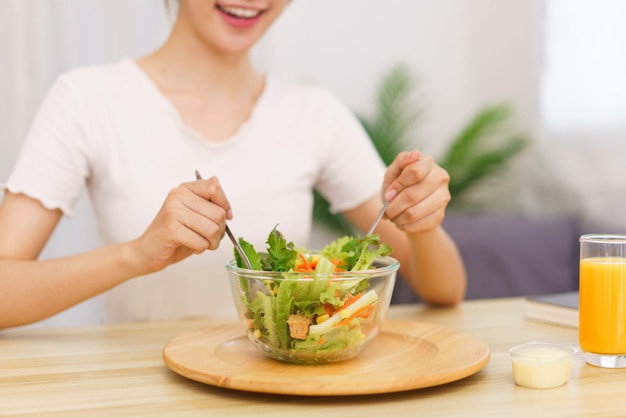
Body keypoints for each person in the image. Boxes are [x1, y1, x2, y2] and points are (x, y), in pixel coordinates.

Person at [0, 0, 466, 329]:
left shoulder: (313, 113)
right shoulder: (87, 99)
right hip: (145, 392)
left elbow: (444, 290)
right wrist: (136, 255)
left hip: (281, 390)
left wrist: (421, 224)